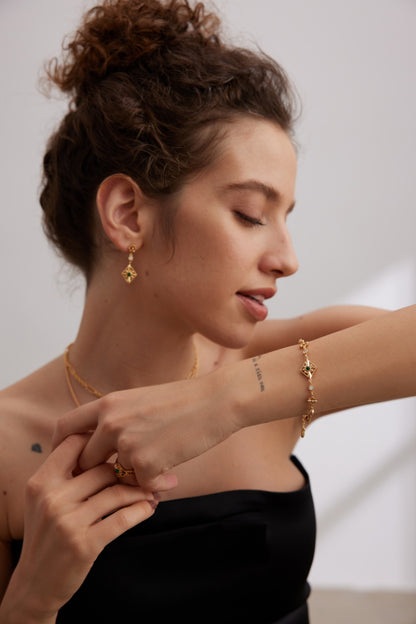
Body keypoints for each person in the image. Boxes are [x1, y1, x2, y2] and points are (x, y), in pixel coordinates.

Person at [0, 1, 414, 622]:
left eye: (285, 218)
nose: (286, 259)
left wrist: (220, 401)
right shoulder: (8, 445)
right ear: (129, 215)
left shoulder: (277, 369)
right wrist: (30, 602)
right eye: (250, 214)